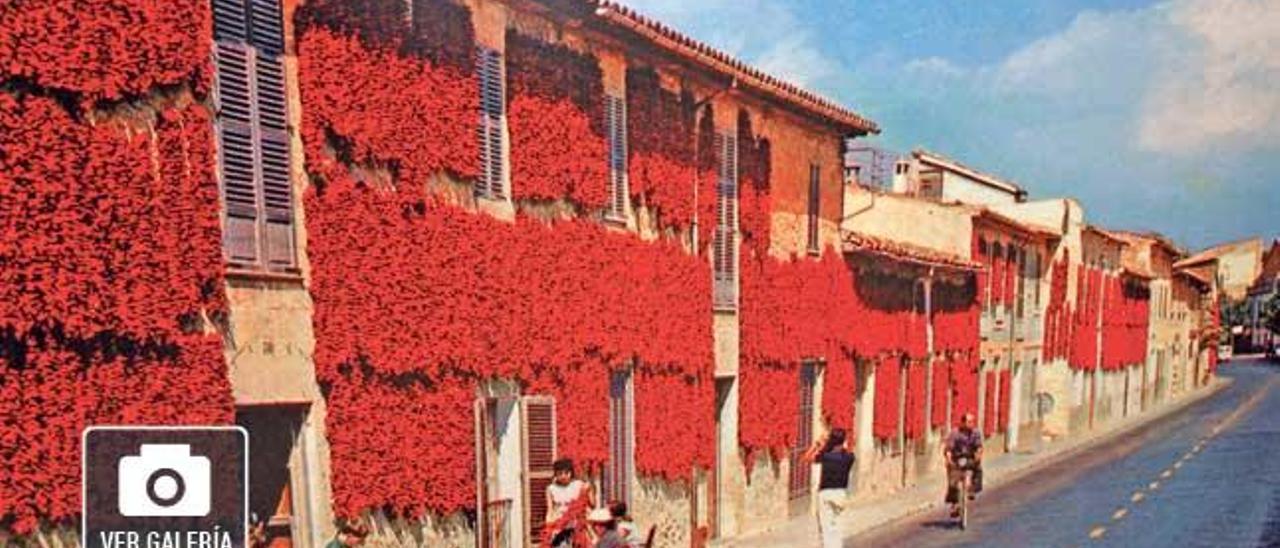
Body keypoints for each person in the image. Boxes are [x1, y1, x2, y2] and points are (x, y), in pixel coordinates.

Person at [802, 428, 855, 548]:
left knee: (826, 529)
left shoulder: (825, 456)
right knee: (837, 528)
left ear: (831, 441)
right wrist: (843, 443)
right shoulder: (849, 458)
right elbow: (849, 449)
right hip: (840, 494)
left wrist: (817, 444)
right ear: (843, 441)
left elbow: (806, 458)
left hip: (825, 494)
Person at [546, 458, 595, 547]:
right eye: (560, 473)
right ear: (555, 474)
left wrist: (590, 489)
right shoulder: (551, 488)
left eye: (566, 473)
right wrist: (549, 527)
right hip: (560, 526)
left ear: (571, 473)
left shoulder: (579, 485)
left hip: (577, 525)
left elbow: (591, 504)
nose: (563, 476)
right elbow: (550, 509)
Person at [943, 412, 985, 517]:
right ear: (962, 422)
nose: (971, 424)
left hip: (969, 458)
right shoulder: (955, 433)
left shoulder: (975, 433)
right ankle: (954, 504)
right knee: (953, 481)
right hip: (957, 459)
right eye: (969, 422)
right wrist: (949, 459)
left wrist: (978, 455)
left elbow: (979, 446)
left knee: (978, 469)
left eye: (972, 422)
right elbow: (949, 448)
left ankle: (972, 489)